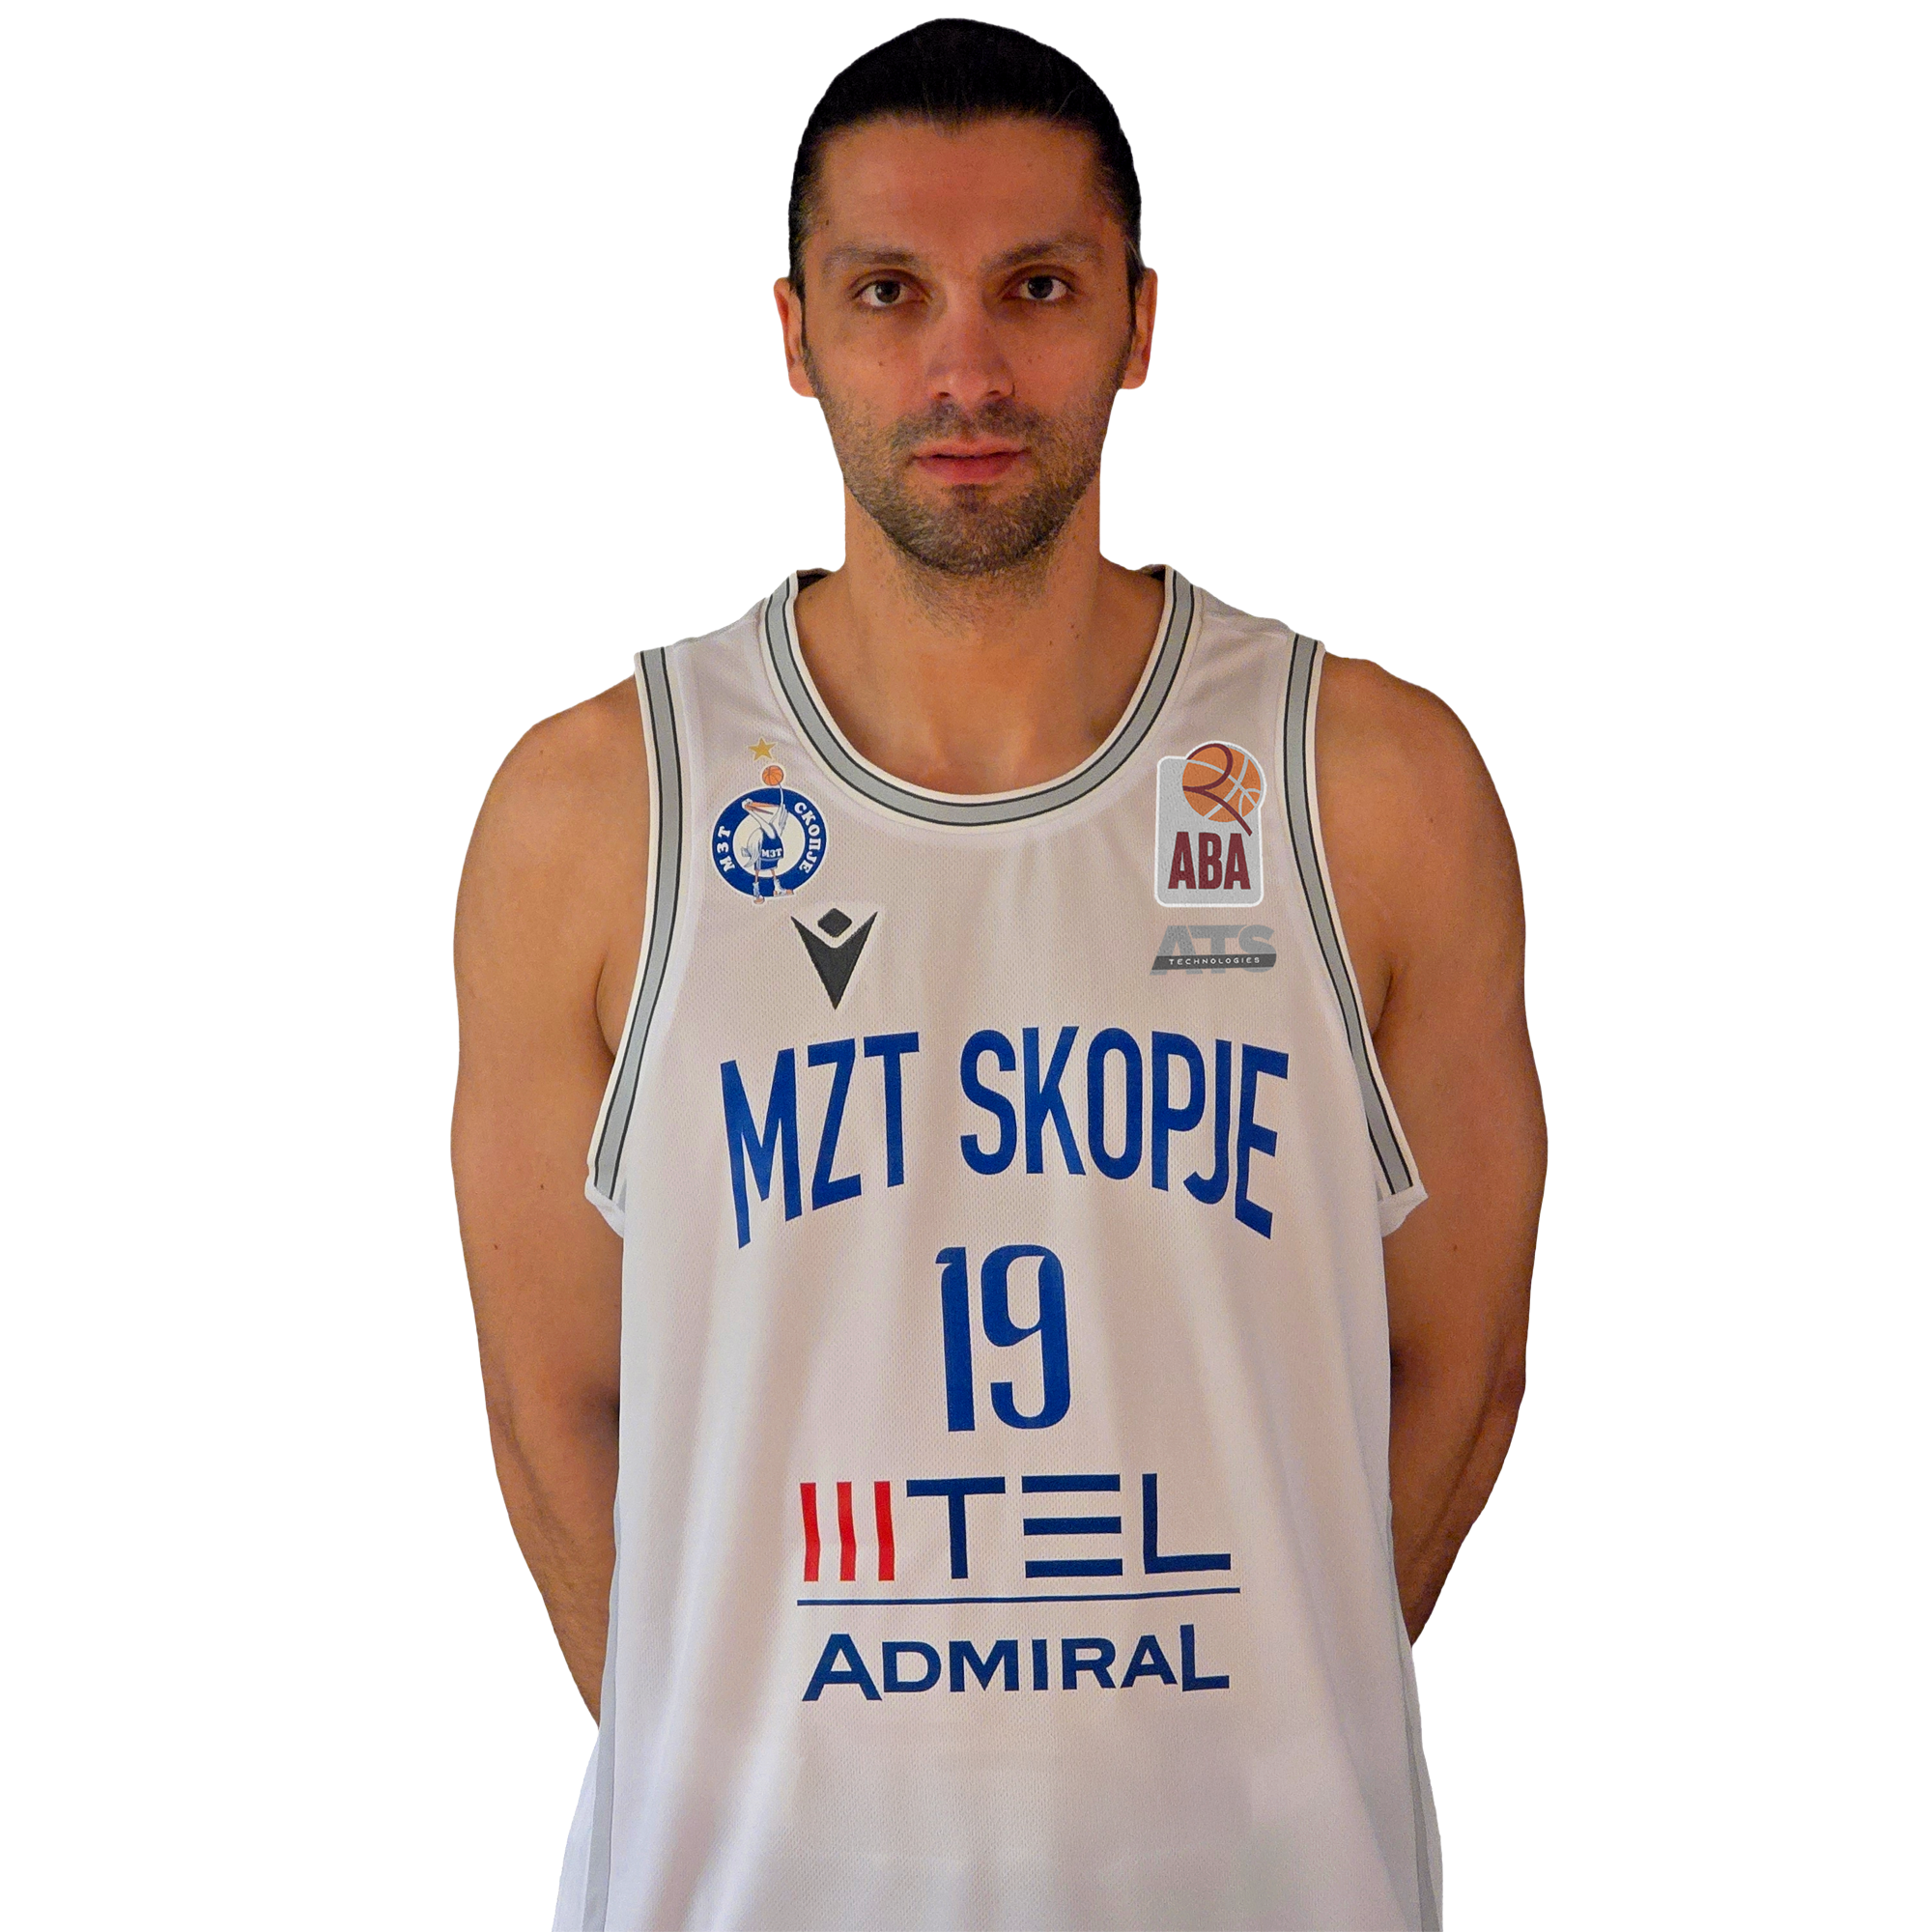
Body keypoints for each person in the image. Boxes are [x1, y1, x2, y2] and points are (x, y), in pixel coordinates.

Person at [451, 17, 1545, 1930]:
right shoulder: (598, 808)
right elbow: (558, 1415)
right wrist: (783, 1789)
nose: (964, 371)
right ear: (796, 335)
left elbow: (1458, 1368)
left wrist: (1253, 1731)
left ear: (1137, 319)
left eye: (1035, 287)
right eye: (891, 293)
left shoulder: (1365, 785)